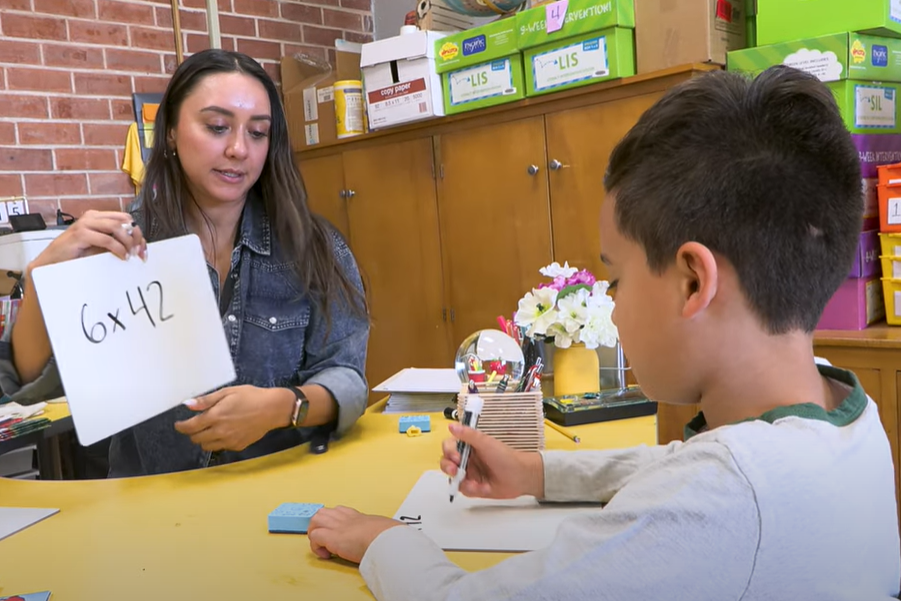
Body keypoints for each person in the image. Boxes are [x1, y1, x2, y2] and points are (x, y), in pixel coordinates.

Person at [304, 66, 901, 599]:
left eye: (616, 277)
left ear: (694, 282)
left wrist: (384, 540)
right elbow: (677, 464)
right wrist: (536, 474)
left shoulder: (717, 501)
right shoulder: (844, 411)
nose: (612, 309)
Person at [0, 49, 370, 477]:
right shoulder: (121, 249)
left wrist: (284, 407)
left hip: (277, 497)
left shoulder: (315, 246)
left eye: (258, 133)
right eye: (217, 127)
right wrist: (39, 277)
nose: (238, 149)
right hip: (152, 507)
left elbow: (347, 379)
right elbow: (29, 393)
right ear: (171, 131)